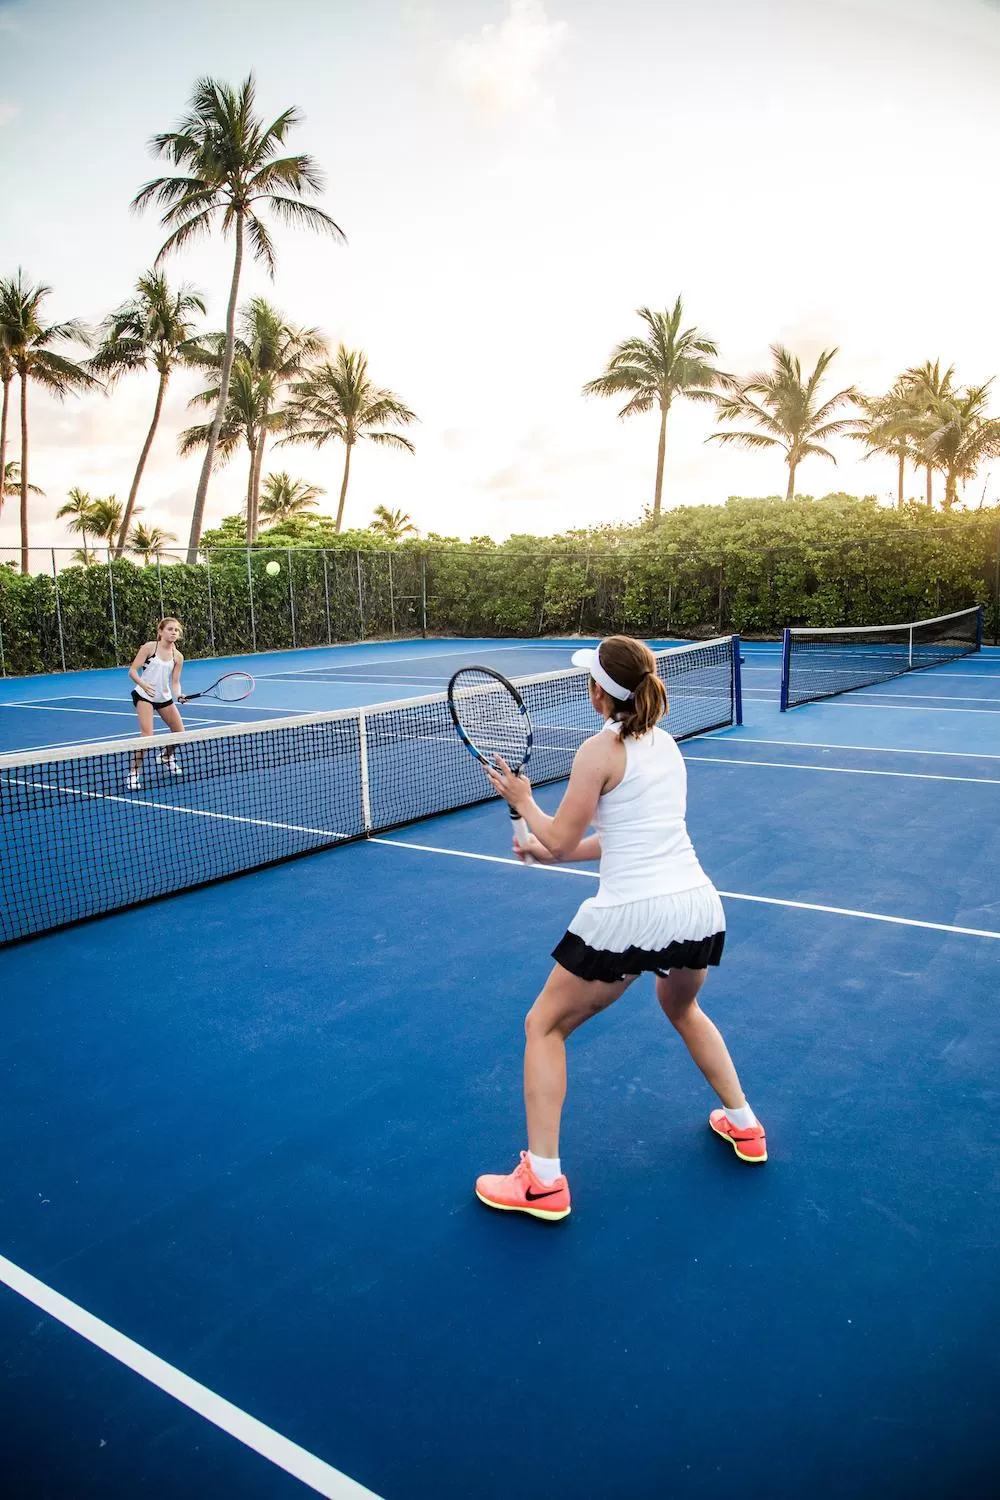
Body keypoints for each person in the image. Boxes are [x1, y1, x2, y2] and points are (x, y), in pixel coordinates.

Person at [476, 634, 765, 1222]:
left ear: (600, 693)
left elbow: (559, 835)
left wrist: (522, 800)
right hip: (696, 906)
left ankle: (542, 1182)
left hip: (632, 914)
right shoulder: (666, 745)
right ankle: (745, 1125)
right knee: (683, 1008)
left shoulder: (599, 750)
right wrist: (547, 851)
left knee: (544, 1027)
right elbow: (620, 839)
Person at [126, 617, 186, 790]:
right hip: (144, 695)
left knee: (180, 734)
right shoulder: (149, 647)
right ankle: (134, 773)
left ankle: (166, 757)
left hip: (164, 697)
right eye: (170, 629)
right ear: (160, 631)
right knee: (147, 737)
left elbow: (175, 682)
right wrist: (143, 684)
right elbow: (132, 671)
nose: (174, 632)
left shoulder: (178, 656)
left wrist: (179, 695)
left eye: (176, 630)